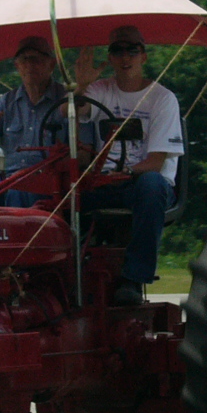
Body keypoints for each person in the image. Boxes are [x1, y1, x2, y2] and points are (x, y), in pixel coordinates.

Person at [74, 25, 184, 306]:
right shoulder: (100, 90)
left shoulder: (163, 99)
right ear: (110, 58)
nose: (126, 57)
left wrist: (127, 172)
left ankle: (134, 279)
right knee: (63, 193)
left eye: (132, 50)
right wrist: (81, 86)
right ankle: (70, 275)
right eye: (117, 50)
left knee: (152, 185)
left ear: (143, 56)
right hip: (104, 181)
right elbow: (71, 111)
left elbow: (156, 162)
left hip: (144, 182)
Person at [0, 35, 68, 207]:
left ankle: (20, 234)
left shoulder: (66, 101)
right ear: (17, 66)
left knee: (19, 192)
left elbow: (83, 155)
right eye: (24, 60)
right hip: (7, 179)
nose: (29, 65)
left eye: (36, 59)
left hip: (50, 182)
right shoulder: (7, 102)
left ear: (51, 65)